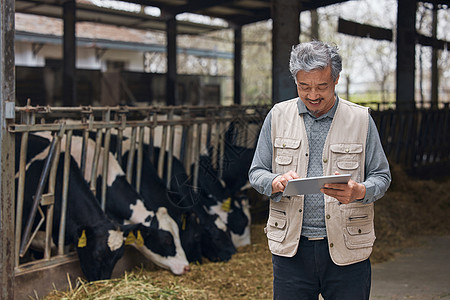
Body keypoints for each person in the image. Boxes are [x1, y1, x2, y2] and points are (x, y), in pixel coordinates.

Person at [248, 41, 391, 300]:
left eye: (322, 86)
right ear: (296, 81)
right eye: (304, 86)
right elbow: (256, 172)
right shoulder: (278, 116)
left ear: (336, 79)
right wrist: (276, 181)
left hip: (347, 250)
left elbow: (382, 176)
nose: (313, 95)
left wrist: (360, 191)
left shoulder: (360, 119)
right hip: (292, 250)